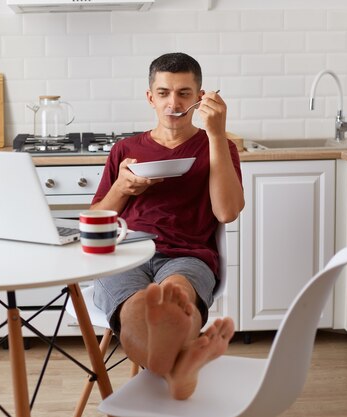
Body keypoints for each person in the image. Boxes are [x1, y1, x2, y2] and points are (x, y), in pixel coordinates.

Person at [90, 52, 245, 400]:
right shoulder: (126, 149)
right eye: (163, 93)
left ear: (200, 97)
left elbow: (228, 212)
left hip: (187, 255)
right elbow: (97, 219)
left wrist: (216, 135)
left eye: (184, 93)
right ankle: (179, 367)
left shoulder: (218, 146)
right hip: (125, 251)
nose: (173, 103)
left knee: (175, 295)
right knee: (136, 307)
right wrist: (121, 188)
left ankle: (170, 363)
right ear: (150, 97)